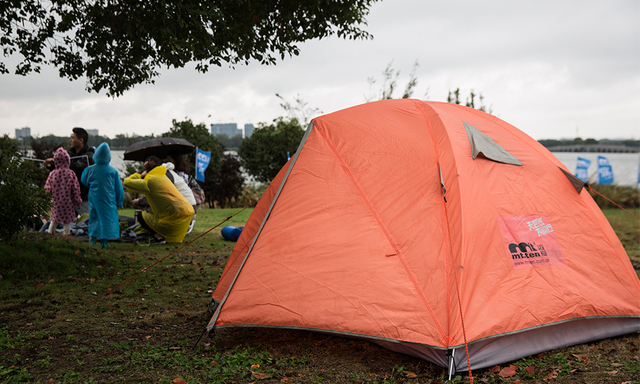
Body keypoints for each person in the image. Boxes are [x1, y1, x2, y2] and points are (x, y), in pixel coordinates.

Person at [123, 157, 194, 243]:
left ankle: (159, 236)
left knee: (141, 216)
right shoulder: (163, 176)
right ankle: (167, 237)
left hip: (174, 217)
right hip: (187, 213)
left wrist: (139, 175)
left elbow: (127, 182)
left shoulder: (150, 180)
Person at [81, 143, 125, 248]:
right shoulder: (113, 171)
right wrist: (120, 202)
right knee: (107, 219)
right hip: (108, 200)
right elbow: (119, 188)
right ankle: (104, 242)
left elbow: (84, 181)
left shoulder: (89, 170)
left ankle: (92, 239)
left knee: (94, 217)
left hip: (94, 199)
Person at [44, 127, 95, 215]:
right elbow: (62, 172)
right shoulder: (68, 154)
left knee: (86, 222)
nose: (70, 140)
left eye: (73, 138)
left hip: (84, 198)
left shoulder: (89, 156)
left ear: (81, 140)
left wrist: (58, 162)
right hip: (68, 199)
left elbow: (77, 168)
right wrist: (52, 166)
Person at [44, 147, 83, 235]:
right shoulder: (71, 174)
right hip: (68, 203)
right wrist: (78, 201)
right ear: (68, 160)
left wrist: (47, 198)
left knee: (54, 220)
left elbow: (47, 188)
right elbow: (76, 189)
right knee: (67, 222)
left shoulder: (53, 174)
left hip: (55, 203)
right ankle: (66, 235)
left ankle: (50, 234)